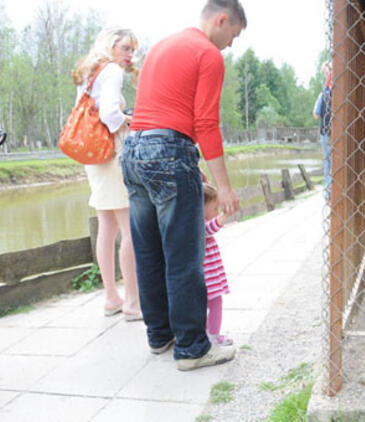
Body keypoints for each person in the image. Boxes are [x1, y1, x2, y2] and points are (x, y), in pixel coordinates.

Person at [121, 0, 246, 371]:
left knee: (148, 251)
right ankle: (192, 348)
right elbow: (206, 123)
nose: (230, 44)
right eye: (233, 35)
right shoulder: (208, 54)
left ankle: (160, 336)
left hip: (134, 149)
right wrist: (223, 187)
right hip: (169, 149)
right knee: (183, 254)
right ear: (222, 19)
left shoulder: (163, 44)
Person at [71, 26, 142, 321]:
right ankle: (133, 302)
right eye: (125, 48)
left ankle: (111, 297)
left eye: (132, 50)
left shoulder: (91, 72)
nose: (130, 55)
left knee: (107, 226)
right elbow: (110, 115)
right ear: (111, 46)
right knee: (130, 230)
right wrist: (132, 119)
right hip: (112, 153)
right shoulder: (110, 71)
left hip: (94, 157)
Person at [203, 183, 234, 345]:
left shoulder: (191, 223)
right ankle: (214, 336)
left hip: (210, 275)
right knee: (216, 304)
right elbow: (210, 228)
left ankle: (208, 333)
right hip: (208, 278)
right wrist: (225, 215)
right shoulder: (199, 225)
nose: (216, 213)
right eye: (214, 209)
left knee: (207, 306)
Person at [313, 60, 332, 199]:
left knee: (327, 160)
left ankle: (328, 190)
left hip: (326, 130)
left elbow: (315, 114)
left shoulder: (324, 93)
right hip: (332, 131)